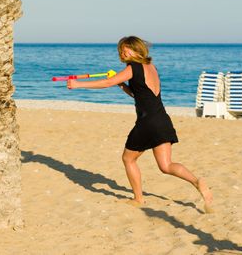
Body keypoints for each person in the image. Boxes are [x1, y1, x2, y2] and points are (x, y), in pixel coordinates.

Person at [67, 36, 213, 212]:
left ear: (138, 50)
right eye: (121, 49)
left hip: (147, 122)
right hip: (162, 119)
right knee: (166, 166)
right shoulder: (151, 67)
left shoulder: (133, 67)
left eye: (127, 48)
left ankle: (138, 198)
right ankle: (197, 182)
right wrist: (121, 83)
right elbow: (139, 94)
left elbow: (107, 82)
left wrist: (78, 85)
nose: (123, 52)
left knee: (128, 158)